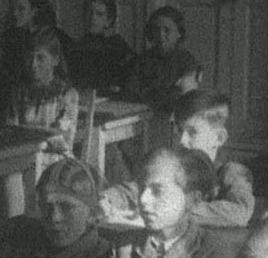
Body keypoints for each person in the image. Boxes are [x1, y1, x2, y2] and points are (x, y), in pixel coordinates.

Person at [94, 144, 231, 258]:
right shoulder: (123, 247)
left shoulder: (213, 253)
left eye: (157, 191)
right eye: (141, 188)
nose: (143, 200)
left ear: (193, 200)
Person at [100, 89, 254, 228]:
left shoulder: (232, 171)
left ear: (219, 138)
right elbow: (136, 189)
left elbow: (239, 212)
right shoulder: (174, 167)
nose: (181, 140)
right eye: (179, 130)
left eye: (192, 132)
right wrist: (109, 199)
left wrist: (173, 209)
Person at [8, 28, 82, 175]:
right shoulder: (20, 92)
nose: (33, 65)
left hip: (56, 164)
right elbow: (10, 130)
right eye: (30, 58)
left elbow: (63, 141)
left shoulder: (67, 94)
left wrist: (33, 139)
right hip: (24, 158)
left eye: (40, 58)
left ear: (55, 60)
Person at [129, 6, 199, 115]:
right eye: (156, 30)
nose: (161, 35)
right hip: (143, 113)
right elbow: (132, 91)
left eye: (167, 30)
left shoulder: (186, 60)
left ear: (179, 33)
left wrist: (153, 95)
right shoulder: (143, 59)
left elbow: (184, 96)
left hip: (173, 116)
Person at [68, 0, 137, 94]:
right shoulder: (77, 47)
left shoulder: (118, 48)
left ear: (109, 20)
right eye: (89, 13)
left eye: (99, 14)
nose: (93, 18)